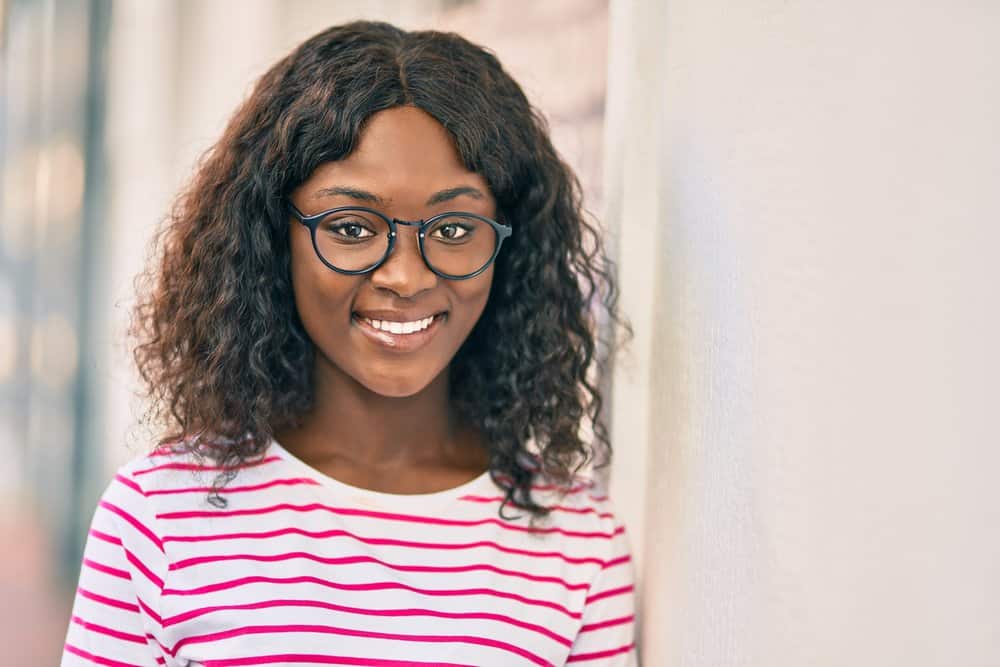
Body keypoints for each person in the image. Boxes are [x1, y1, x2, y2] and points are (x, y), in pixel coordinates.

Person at [61, 20, 636, 667]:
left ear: (511, 243)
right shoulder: (159, 520)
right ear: (275, 237)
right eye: (353, 226)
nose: (406, 276)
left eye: (453, 228)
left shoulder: (576, 544)